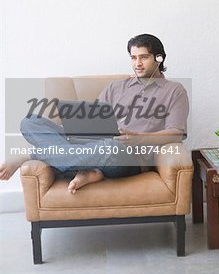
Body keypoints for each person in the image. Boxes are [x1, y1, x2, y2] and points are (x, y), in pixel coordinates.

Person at [0, 34, 189, 193]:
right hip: (89, 145)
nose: (137, 64)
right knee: (31, 121)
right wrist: (68, 129)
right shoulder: (117, 87)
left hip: (128, 156)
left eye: (144, 57)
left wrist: (139, 138)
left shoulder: (174, 91)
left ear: (159, 58)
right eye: (133, 58)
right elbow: (92, 120)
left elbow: (177, 133)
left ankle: (33, 154)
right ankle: (90, 170)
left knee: (109, 147)